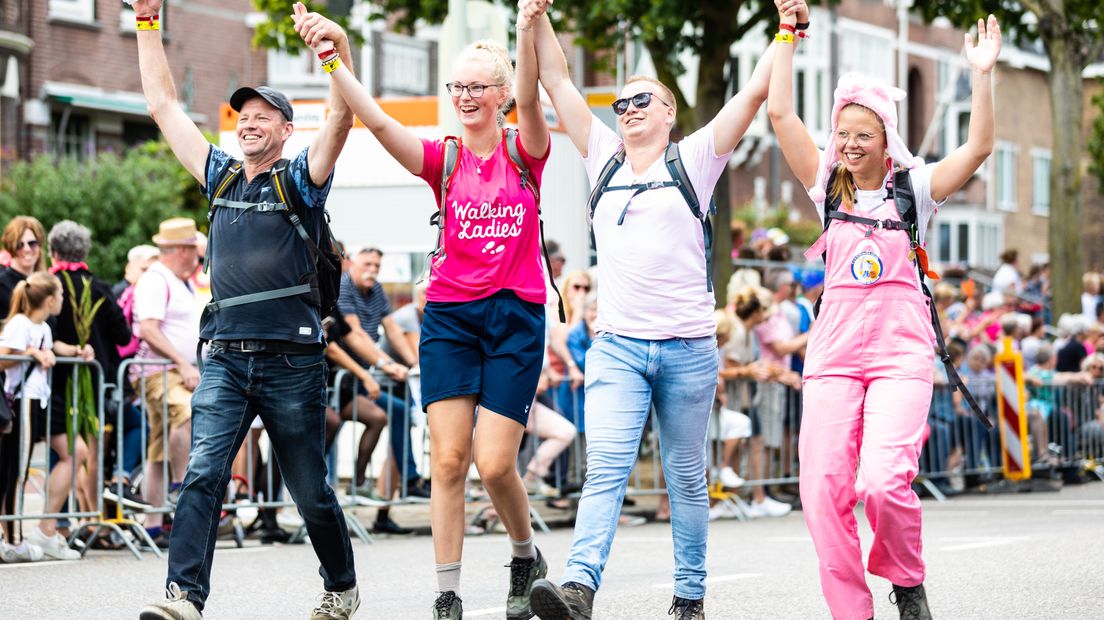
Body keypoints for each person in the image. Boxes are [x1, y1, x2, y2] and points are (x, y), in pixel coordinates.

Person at [520, 0, 780, 617]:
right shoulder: (602, 155)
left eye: (643, 101)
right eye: (622, 103)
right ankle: (580, 585)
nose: (629, 110)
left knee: (686, 476)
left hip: (689, 348)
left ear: (669, 114)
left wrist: (788, 29)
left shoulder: (694, 158)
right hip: (617, 346)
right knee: (605, 464)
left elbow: (750, 95)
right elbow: (556, 79)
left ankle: (690, 594)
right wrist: (535, 17)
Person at [292, 5, 552, 618]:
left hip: (515, 317)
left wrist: (524, 29)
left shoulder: (525, 150)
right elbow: (378, 122)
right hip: (450, 319)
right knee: (448, 459)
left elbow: (537, 100)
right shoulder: (445, 160)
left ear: (501, 95)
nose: (464, 96)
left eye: (476, 87)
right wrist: (335, 57)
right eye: (456, 86)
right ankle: (447, 594)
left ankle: (524, 555)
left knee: (493, 462)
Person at [767, 1, 1001, 617]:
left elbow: (978, 148)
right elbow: (779, 110)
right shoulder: (826, 187)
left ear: (885, 141)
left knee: (882, 482)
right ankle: (851, 610)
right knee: (821, 490)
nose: (846, 145)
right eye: (841, 134)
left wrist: (982, 74)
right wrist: (789, 33)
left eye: (861, 135)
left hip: (900, 354)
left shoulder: (913, 189)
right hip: (834, 355)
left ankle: (905, 578)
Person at [133, 1, 360, 618]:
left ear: (287, 129)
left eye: (265, 116)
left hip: (293, 361)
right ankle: (184, 597)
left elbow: (341, 118)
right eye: (244, 115)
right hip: (228, 357)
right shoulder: (221, 177)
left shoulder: (300, 180)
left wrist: (333, 52)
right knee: (203, 473)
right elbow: (163, 106)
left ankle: (340, 584)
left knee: (310, 492)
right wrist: (147, 22)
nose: (250, 123)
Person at [0, 272, 93, 561]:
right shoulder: (20, 324)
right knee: (15, 471)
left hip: (35, 402)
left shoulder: (41, 327)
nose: (63, 301)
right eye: (61, 296)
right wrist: (31, 354)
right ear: (50, 299)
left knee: (17, 469)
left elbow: (52, 348)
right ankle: (14, 539)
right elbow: (3, 356)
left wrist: (77, 351)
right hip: (21, 401)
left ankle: (12, 537)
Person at [131, 218, 202, 547]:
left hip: (169, 369)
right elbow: (149, 329)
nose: (198, 260)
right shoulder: (156, 280)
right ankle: (178, 489)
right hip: (158, 370)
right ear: (181, 251)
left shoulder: (178, 280)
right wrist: (182, 362)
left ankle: (153, 525)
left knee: (158, 444)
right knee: (186, 413)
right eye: (194, 252)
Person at [0, 217, 48, 314]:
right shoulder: (2, 284)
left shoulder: (46, 284)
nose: (27, 249)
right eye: (19, 245)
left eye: (32, 243)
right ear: (10, 247)